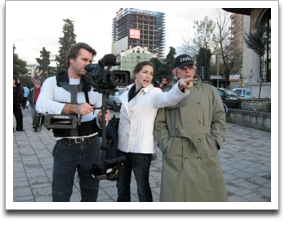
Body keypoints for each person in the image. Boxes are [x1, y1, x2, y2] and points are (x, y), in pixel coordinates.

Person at [36, 42, 110, 202]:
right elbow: (40, 105)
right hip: (65, 146)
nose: (88, 65)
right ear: (71, 59)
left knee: (91, 194)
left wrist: (101, 118)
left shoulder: (94, 83)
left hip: (91, 146)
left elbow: (98, 113)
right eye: (84, 60)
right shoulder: (52, 82)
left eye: (90, 61)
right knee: (61, 195)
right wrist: (72, 108)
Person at [117, 61, 196, 202]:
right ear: (136, 73)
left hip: (141, 149)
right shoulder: (126, 91)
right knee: (122, 186)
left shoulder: (154, 93)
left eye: (151, 73)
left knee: (142, 188)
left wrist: (180, 86)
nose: (148, 76)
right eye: (145, 72)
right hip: (122, 147)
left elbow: (168, 98)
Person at [154, 54, 228, 202]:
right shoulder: (167, 93)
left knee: (208, 197)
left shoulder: (209, 90)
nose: (188, 71)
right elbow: (159, 124)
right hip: (177, 151)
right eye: (183, 68)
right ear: (175, 72)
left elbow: (219, 118)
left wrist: (215, 142)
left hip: (205, 149)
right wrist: (167, 146)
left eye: (191, 67)